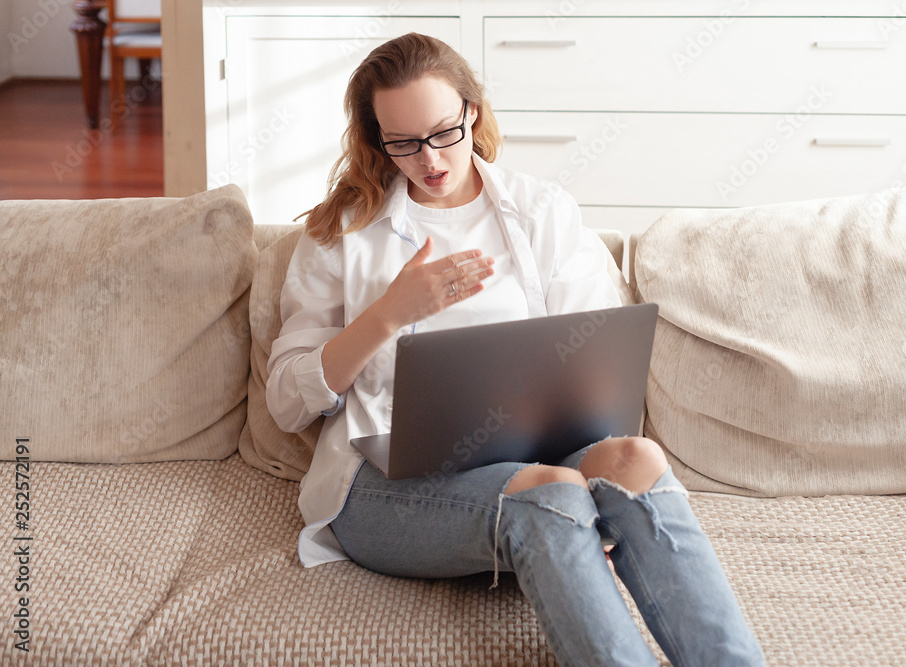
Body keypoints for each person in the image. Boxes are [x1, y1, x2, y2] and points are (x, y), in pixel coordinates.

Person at [266, 32, 764, 667]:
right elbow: (287, 400)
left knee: (635, 458)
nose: (430, 159)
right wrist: (389, 313)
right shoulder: (342, 230)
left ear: (472, 112)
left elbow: (597, 361)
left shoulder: (540, 213)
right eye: (403, 143)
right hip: (384, 486)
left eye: (444, 132)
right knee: (553, 492)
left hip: (539, 454)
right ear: (375, 139)